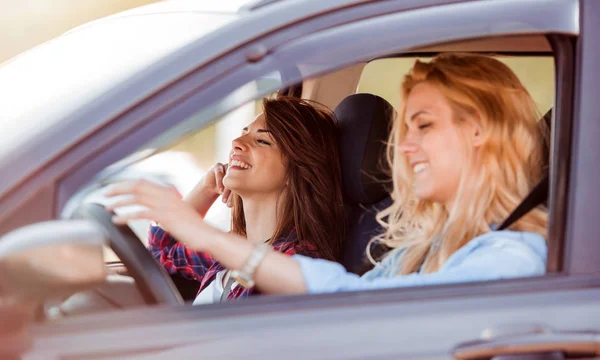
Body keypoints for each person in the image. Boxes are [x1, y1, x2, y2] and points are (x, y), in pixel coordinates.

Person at [107, 53, 548, 296]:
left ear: (478, 132)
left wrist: (208, 236)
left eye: (424, 125)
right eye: (406, 127)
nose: (404, 145)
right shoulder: (420, 251)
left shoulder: (510, 259)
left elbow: (356, 306)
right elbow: (352, 301)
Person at [110, 97, 346, 303]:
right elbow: (163, 252)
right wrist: (206, 188)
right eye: (244, 133)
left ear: (295, 171)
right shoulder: (233, 251)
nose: (237, 143)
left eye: (262, 141)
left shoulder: (294, 264)